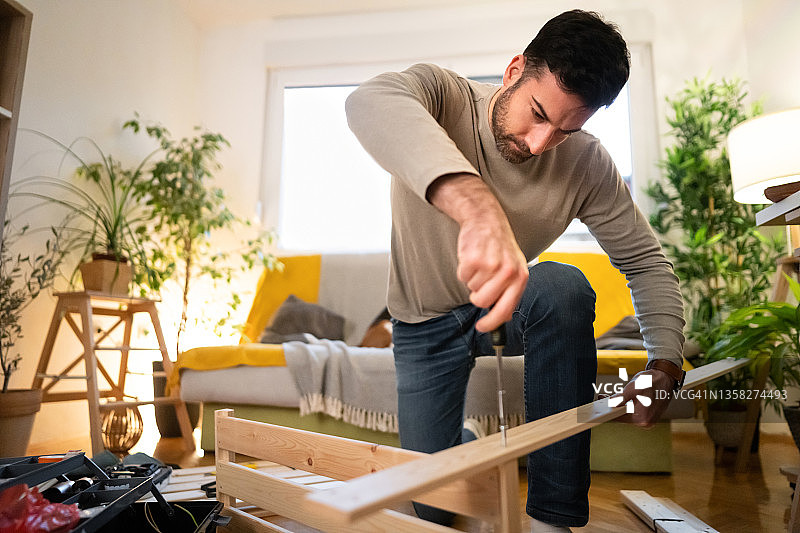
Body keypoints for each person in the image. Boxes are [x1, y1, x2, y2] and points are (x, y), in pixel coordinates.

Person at [345, 9, 685, 532]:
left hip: (504, 303)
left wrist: (665, 362)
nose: (538, 144)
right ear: (514, 70)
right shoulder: (443, 96)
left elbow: (643, 259)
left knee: (563, 287)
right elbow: (366, 101)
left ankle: (554, 518)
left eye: (566, 129)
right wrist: (475, 204)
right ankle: (465, 450)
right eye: (538, 113)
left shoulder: (588, 164)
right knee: (434, 503)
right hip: (422, 324)